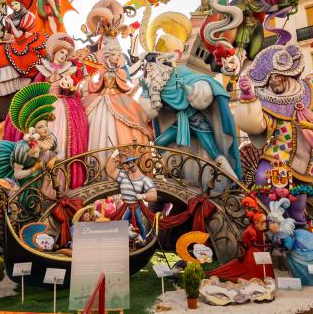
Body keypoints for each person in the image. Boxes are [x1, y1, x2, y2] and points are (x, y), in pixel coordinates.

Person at [236, 44, 313, 225]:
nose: (273, 81)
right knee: (264, 184)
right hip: (276, 159)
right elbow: (257, 124)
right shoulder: (269, 104)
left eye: (276, 76)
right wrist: (247, 96)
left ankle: (299, 234)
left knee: (298, 211)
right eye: (269, 79)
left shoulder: (308, 92)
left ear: (287, 75)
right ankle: (269, 227)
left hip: (303, 166)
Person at [140, 51, 242, 179]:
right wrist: (145, 92)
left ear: (159, 65)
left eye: (150, 66)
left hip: (196, 121)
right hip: (180, 123)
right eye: (146, 67)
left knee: (214, 152)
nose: (148, 69)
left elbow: (201, 84)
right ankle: (173, 172)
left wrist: (188, 88)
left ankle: (234, 180)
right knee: (159, 143)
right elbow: (153, 111)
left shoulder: (179, 73)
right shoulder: (156, 87)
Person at [0, 83, 59, 207]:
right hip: (22, 183)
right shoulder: (23, 148)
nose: (45, 129)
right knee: (23, 206)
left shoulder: (49, 139)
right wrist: (34, 169)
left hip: (38, 180)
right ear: (33, 130)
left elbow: (59, 152)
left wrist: (54, 159)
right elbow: (17, 175)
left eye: (46, 125)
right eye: (41, 127)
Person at [84, 37, 153, 169]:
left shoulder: (121, 72)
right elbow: (97, 86)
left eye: (118, 55)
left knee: (127, 125)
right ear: (107, 57)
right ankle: (96, 166)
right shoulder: (103, 71)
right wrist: (89, 82)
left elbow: (125, 87)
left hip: (117, 99)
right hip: (102, 100)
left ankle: (120, 165)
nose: (117, 57)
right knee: (97, 124)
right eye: (114, 55)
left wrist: (137, 86)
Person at [0, 0, 48, 119]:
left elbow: (20, 36)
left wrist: (11, 26)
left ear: (21, 3)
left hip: (25, 43)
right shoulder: (9, 16)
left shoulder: (28, 16)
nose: (14, 6)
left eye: (16, 3)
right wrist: (0, 32)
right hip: (13, 43)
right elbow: (8, 35)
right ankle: (5, 111)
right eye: (12, 4)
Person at [35, 34, 89, 188]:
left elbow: (72, 91)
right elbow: (36, 87)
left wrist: (69, 88)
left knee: (61, 139)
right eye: (61, 52)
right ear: (54, 53)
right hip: (46, 106)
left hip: (61, 107)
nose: (63, 56)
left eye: (66, 54)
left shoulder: (67, 72)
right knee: (43, 138)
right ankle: (40, 179)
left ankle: (59, 180)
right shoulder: (44, 70)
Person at [209, 197, 274, 281]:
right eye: (263, 222)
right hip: (253, 253)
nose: (265, 224)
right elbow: (253, 243)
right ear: (256, 223)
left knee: (265, 265)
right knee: (256, 269)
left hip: (259, 251)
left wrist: (266, 244)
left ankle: (266, 278)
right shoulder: (251, 231)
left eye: (265, 222)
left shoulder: (259, 230)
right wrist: (266, 245)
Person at [105, 152, 157, 240]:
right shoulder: (123, 175)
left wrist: (143, 196)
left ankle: (143, 239)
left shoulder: (144, 180)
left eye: (132, 162)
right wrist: (114, 155)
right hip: (127, 207)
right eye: (128, 163)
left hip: (136, 207)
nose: (130, 165)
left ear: (136, 162)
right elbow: (110, 171)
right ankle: (124, 240)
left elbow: (154, 195)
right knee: (123, 222)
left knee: (140, 223)